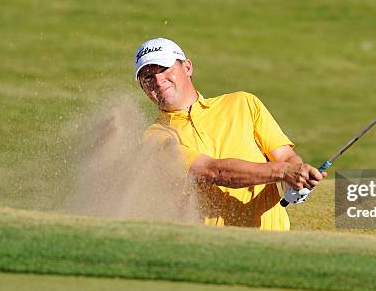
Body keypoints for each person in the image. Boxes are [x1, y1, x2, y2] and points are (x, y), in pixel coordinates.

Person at [134, 37, 325, 231]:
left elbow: (285, 156)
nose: (157, 81)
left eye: (164, 68)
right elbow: (214, 172)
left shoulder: (243, 103)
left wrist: (295, 182)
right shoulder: (154, 138)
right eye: (147, 77)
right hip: (213, 249)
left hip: (274, 243)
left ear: (187, 67)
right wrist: (284, 173)